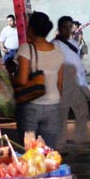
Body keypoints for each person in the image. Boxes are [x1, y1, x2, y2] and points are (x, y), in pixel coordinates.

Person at [16, 12, 66, 146]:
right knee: (49, 151)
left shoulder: (26, 49)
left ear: (31, 29)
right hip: (53, 105)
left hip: (30, 105)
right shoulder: (58, 52)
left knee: (28, 152)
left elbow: (22, 80)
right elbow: (60, 84)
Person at [54, 16, 90, 150]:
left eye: (70, 27)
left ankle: (80, 141)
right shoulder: (54, 45)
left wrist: (83, 85)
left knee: (82, 112)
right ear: (59, 28)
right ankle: (59, 145)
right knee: (62, 116)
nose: (68, 30)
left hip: (76, 83)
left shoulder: (74, 43)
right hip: (63, 84)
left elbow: (78, 64)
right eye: (65, 27)